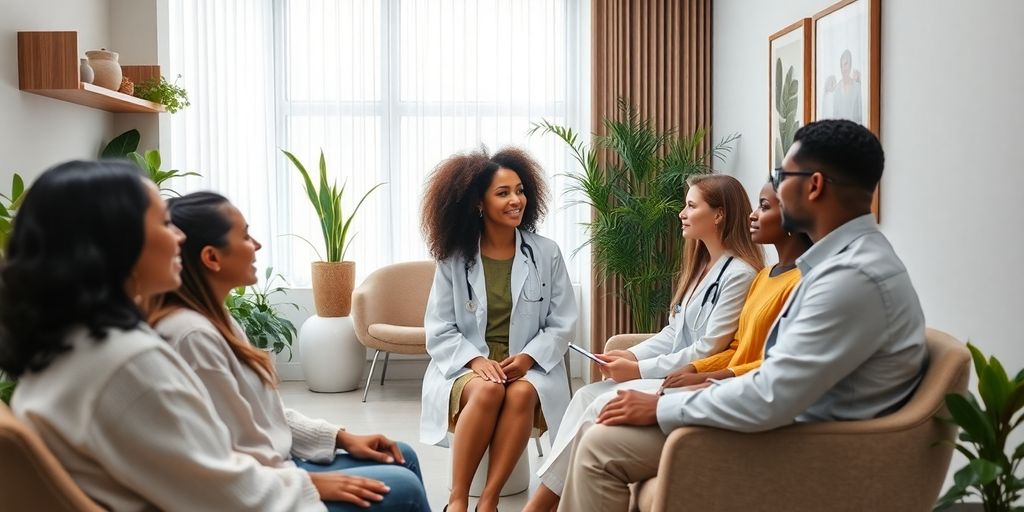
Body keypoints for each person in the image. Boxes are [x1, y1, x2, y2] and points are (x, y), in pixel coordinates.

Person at [557, 119, 928, 511]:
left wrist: (662, 405)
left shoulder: (850, 278)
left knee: (602, 446)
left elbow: (772, 395)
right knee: (601, 428)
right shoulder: (843, 263)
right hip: (795, 424)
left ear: (814, 185)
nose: (773, 191)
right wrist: (706, 385)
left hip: (809, 445)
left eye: (783, 176)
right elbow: (776, 375)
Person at [0, 161, 325, 510]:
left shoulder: (68, 350)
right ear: (119, 241)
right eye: (165, 223)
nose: (180, 236)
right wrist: (309, 485)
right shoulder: (130, 362)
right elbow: (229, 497)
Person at [526, 178, 801, 511]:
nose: (682, 213)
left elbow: (713, 348)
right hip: (692, 373)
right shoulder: (706, 267)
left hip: (695, 378)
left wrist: (641, 369)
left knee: (602, 404)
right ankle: (548, 499)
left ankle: (540, 504)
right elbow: (674, 332)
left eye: (691, 205)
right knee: (585, 393)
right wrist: (630, 355)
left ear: (718, 215)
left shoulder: (742, 274)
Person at [146, 192, 429, 511]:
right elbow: (228, 456)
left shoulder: (218, 318)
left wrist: (341, 438)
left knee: (403, 455)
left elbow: (263, 414)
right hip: (260, 488)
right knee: (403, 487)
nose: (256, 245)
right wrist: (309, 482)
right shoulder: (192, 336)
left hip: (277, 469)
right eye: (244, 235)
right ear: (212, 258)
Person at [419, 147, 576, 512]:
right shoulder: (455, 259)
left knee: (520, 395)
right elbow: (439, 327)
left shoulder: (546, 253)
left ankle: (487, 502)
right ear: (478, 202)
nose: (515, 200)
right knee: (488, 392)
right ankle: (458, 500)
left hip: (528, 362)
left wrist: (527, 358)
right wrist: (475, 361)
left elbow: (562, 322)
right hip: (469, 363)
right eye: (503, 193)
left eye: (519, 190)